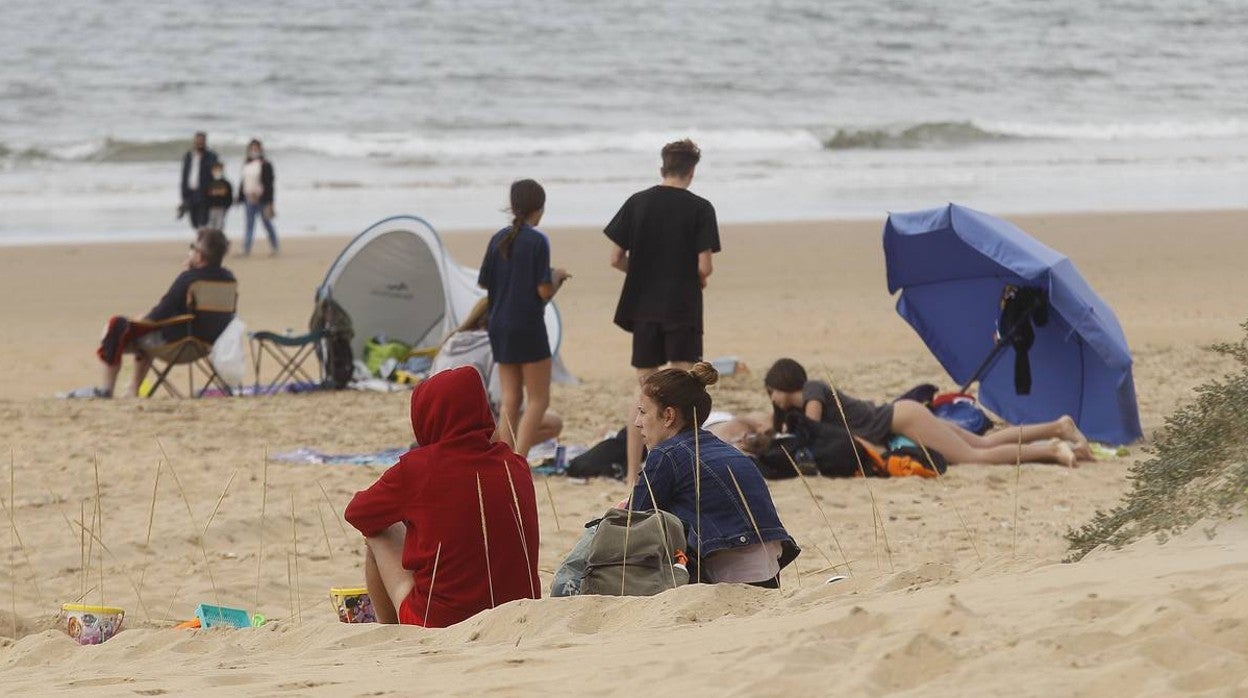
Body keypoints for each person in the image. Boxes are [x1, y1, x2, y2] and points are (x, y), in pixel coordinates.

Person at [343, 366, 541, 626]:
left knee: (379, 531)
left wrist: (408, 518)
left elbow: (357, 513)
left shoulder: (417, 469)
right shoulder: (515, 464)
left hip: (441, 621)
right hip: (520, 616)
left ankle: (388, 631)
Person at [605, 139, 721, 487]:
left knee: (643, 389)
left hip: (643, 305)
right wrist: (690, 277)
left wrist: (643, 271)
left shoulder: (637, 202)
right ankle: (685, 469)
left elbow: (614, 258)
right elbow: (705, 266)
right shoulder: (700, 208)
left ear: (662, 168)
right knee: (686, 385)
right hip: (682, 303)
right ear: (691, 171)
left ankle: (630, 474)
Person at [629, 362, 799, 587]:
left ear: (668, 415)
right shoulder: (726, 449)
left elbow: (632, 521)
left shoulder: (666, 454)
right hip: (770, 575)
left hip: (728, 577)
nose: (637, 422)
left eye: (642, 412)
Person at [763, 358, 1092, 468]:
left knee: (972, 457)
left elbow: (815, 428)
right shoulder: (810, 394)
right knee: (984, 443)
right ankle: (1059, 428)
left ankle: (1050, 451)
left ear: (782, 382)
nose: (771, 398)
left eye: (771, 391)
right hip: (902, 415)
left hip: (903, 418)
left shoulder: (812, 391)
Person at [478, 180, 570, 459]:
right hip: (527, 324)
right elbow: (542, 290)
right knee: (539, 400)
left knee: (511, 399)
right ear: (539, 209)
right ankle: (518, 459)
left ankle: (503, 459)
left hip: (498, 324)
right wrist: (556, 278)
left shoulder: (499, 239)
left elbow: (485, 283)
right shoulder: (537, 241)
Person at [88, 228, 235, 398]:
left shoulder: (189, 279)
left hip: (178, 344)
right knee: (144, 334)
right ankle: (132, 389)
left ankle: (107, 389)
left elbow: (160, 313)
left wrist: (141, 319)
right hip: (208, 345)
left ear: (200, 256)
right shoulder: (229, 279)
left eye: (193, 248)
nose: (190, 251)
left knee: (116, 325)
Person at [429, 297, 564, 449]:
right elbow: (503, 399)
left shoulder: (451, 342)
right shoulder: (497, 347)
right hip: (470, 433)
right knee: (551, 423)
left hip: (435, 429)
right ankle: (498, 454)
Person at [237, 138, 279, 256]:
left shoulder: (266, 164)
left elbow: (269, 184)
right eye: (252, 148)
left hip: (262, 199)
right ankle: (246, 248)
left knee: (267, 223)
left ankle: (275, 246)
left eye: (256, 148)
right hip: (248, 198)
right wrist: (239, 196)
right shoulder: (246, 164)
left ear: (260, 149)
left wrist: (270, 201)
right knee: (249, 224)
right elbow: (243, 182)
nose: (254, 151)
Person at [178, 132, 219, 229]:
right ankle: (201, 240)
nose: (199, 143)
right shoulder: (188, 156)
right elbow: (184, 176)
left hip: (204, 194)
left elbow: (217, 176)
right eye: (197, 141)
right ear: (194, 142)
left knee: (203, 222)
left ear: (205, 142)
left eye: (202, 141)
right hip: (190, 194)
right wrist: (183, 195)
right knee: (194, 223)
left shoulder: (212, 156)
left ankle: (203, 242)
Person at [204, 161, 233, 231]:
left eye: (219, 169)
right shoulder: (209, 183)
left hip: (221, 208)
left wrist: (226, 206)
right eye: (215, 169)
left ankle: (218, 240)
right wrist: (207, 206)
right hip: (211, 208)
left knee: (219, 226)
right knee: (210, 226)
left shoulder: (226, 183)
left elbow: (230, 197)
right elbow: (205, 196)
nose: (217, 171)